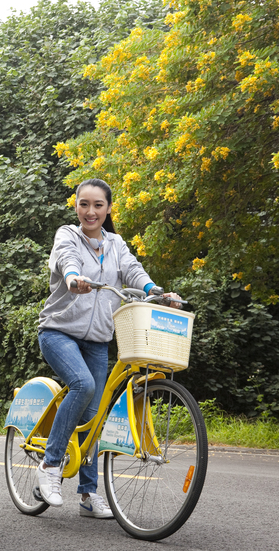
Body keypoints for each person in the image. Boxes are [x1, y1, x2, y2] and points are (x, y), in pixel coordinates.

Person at [36, 178, 181, 518]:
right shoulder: (67, 235)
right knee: (83, 386)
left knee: (95, 416)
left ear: (108, 209)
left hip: (98, 340)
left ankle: (88, 494)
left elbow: (132, 270)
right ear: (76, 207)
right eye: (84, 204)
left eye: (98, 205)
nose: (91, 211)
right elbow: (66, 260)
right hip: (58, 332)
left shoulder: (115, 243)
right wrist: (73, 278)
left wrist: (155, 290)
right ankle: (50, 465)